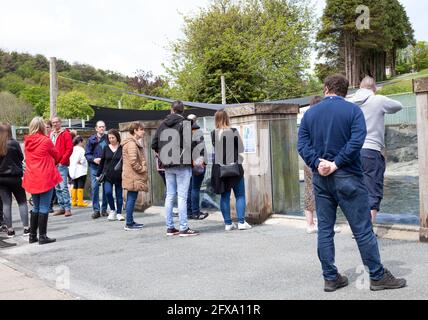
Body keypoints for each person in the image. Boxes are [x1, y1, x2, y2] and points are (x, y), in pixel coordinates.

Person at [298, 74, 406, 292]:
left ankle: (330, 277)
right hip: (347, 176)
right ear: (345, 91)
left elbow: (302, 144)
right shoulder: (353, 111)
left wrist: (318, 162)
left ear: (326, 88)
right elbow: (357, 140)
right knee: (362, 229)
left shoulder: (310, 113)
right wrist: (336, 163)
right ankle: (377, 276)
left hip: (321, 179)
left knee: (325, 230)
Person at [349, 76, 403, 224]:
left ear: (360, 87)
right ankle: (367, 228)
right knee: (373, 188)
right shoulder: (377, 100)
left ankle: (358, 225)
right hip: (371, 150)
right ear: (374, 87)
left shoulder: (351, 102)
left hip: (352, 151)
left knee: (357, 189)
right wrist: (378, 96)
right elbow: (399, 106)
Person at [152, 101, 199, 237]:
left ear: (171, 110)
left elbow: (154, 144)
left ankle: (170, 227)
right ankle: (184, 228)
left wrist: (163, 153)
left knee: (170, 196)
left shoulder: (162, 125)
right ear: (182, 111)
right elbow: (190, 145)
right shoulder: (184, 124)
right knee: (182, 197)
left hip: (167, 164)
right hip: (182, 164)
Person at [303, 97, 342, 235]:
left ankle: (310, 224)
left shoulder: (307, 120)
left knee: (309, 190)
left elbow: (303, 143)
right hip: (322, 161)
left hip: (308, 160)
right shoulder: (323, 121)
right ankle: (326, 223)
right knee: (326, 192)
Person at [23, 117, 62, 245]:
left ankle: (32, 236)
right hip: (45, 177)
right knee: (44, 207)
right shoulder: (46, 141)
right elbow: (57, 155)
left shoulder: (27, 142)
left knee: (36, 207)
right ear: (41, 127)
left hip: (33, 177)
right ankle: (42, 236)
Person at [211, 110, 252, 232]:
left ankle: (228, 224)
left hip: (220, 169)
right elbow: (241, 148)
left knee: (225, 197)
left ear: (216, 120)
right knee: (240, 195)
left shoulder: (213, 133)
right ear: (227, 118)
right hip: (234, 168)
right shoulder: (233, 131)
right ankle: (241, 222)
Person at [0, 123, 29, 238]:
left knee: (6, 204)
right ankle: (26, 228)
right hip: (15, 176)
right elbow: (21, 158)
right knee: (22, 202)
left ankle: (10, 230)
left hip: (1, 178)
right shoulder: (14, 143)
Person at [122, 122, 148, 231]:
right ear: (135, 130)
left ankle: (130, 221)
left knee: (131, 198)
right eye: (141, 129)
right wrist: (142, 169)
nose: (143, 131)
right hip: (133, 176)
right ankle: (129, 223)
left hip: (131, 175)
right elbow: (133, 161)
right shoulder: (132, 143)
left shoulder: (131, 142)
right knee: (131, 198)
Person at [97, 129, 124, 222]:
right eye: (109, 138)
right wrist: (98, 174)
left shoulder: (122, 148)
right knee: (108, 192)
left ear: (117, 137)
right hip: (107, 175)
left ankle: (119, 213)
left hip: (119, 176)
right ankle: (112, 210)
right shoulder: (106, 148)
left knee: (119, 195)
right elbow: (102, 162)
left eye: (113, 137)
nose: (111, 139)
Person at [186, 114, 209, 220]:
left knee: (189, 188)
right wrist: (203, 162)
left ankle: (189, 212)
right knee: (195, 188)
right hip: (197, 164)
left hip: (188, 164)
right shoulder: (197, 132)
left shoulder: (184, 132)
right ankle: (195, 212)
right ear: (195, 121)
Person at [51, 117, 73, 217]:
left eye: (56, 122)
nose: (55, 124)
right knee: (57, 187)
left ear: (60, 123)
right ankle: (62, 207)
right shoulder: (51, 134)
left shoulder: (65, 134)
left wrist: (62, 161)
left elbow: (69, 149)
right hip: (53, 164)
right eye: (53, 123)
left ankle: (67, 208)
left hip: (61, 164)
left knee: (63, 186)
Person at [85, 121, 109, 219]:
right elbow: (87, 154)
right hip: (94, 167)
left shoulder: (108, 138)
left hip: (106, 167)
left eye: (103, 127)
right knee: (95, 188)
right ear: (96, 128)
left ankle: (104, 209)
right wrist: (94, 159)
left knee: (106, 189)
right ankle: (96, 210)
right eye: (100, 127)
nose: (101, 129)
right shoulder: (91, 140)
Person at [69, 136, 89, 208]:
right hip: (81, 170)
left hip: (73, 170)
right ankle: (80, 201)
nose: (83, 143)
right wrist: (81, 162)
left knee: (75, 185)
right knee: (81, 185)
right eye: (83, 141)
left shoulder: (72, 149)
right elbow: (83, 159)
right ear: (80, 142)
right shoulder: (81, 150)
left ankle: (74, 201)